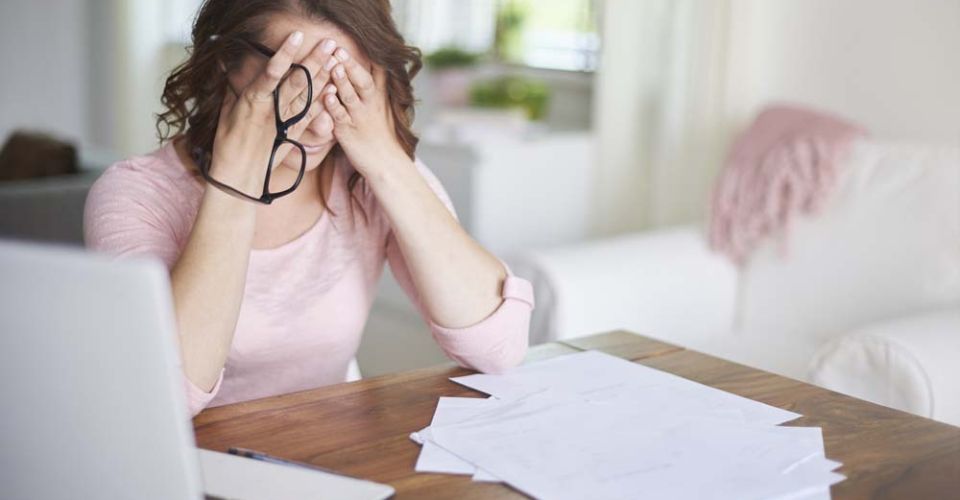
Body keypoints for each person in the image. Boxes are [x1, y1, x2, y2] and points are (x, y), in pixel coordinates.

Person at [84, 0, 534, 416]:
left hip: (323, 455)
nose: (321, 123)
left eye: (344, 87)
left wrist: (386, 161)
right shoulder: (135, 195)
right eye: (294, 86)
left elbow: (498, 348)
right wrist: (235, 185)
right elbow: (166, 395)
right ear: (227, 64)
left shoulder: (367, 172)